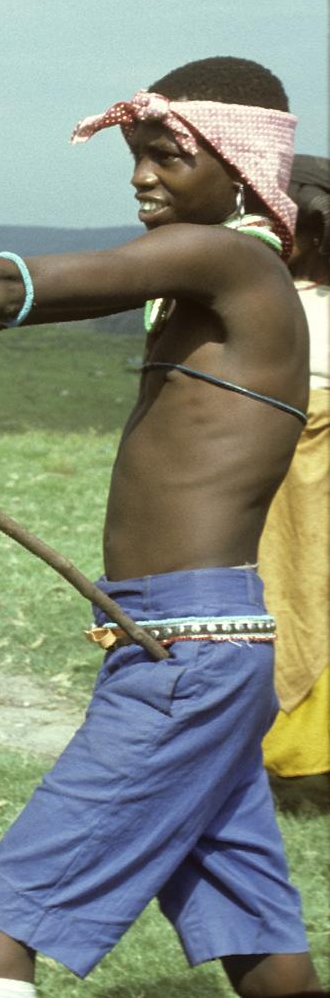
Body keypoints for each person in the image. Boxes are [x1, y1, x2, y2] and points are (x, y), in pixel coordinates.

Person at [0, 58, 320, 997]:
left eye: (168, 156)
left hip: (184, 654)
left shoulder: (230, 257)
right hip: (196, 642)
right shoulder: (221, 280)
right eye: (137, 155)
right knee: (260, 947)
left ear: (241, 168)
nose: (143, 175)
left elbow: (14, 290)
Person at [260, 154, 329, 790]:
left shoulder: (299, 307)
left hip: (304, 476)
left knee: (301, 593)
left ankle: (301, 762)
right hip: (282, 475)